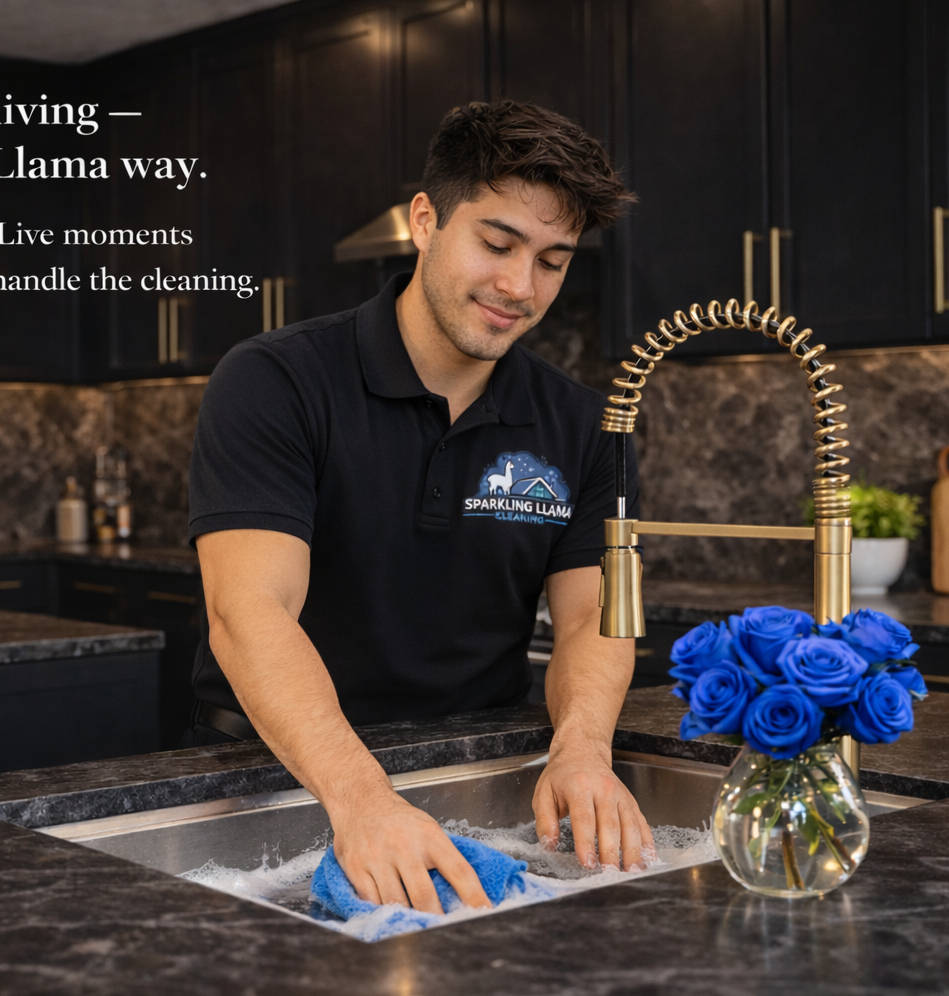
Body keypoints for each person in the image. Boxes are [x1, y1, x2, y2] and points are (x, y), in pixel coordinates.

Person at [186, 100, 651, 916]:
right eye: (497, 243)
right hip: (272, 786)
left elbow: (592, 620)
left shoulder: (586, 427)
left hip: (475, 773)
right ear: (425, 221)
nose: (519, 287)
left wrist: (583, 749)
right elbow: (249, 610)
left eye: (552, 260)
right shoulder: (276, 380)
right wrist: (361, 797)